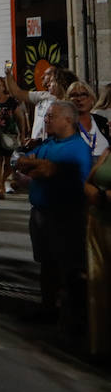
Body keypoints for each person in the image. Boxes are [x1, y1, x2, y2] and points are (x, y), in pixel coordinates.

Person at [16, 100, 94, 329]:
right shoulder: (49, 142)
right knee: (47, 264)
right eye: (47, 116)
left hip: (65, 215)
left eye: (51, 116)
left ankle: (75, 319)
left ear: (68, 120)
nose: (46, 120)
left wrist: (34, 166)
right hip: (41, 212)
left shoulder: (77, 148)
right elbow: (21, 161)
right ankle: (48, 309)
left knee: (69, 267)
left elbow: (42, 168)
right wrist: (32, 166)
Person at [86, 147, 111, 358]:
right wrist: (98, 194)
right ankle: (100, 345)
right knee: (97, 285)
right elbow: (87, 182)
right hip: (97, 223)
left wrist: (100, 194)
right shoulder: (108, 151)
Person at [0, 76, 27, 197]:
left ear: (4, 87)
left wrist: (22, 133)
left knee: (10, 162)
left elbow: (20, 118)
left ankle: (3, 180)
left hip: (10, 134)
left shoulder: (11, 101)